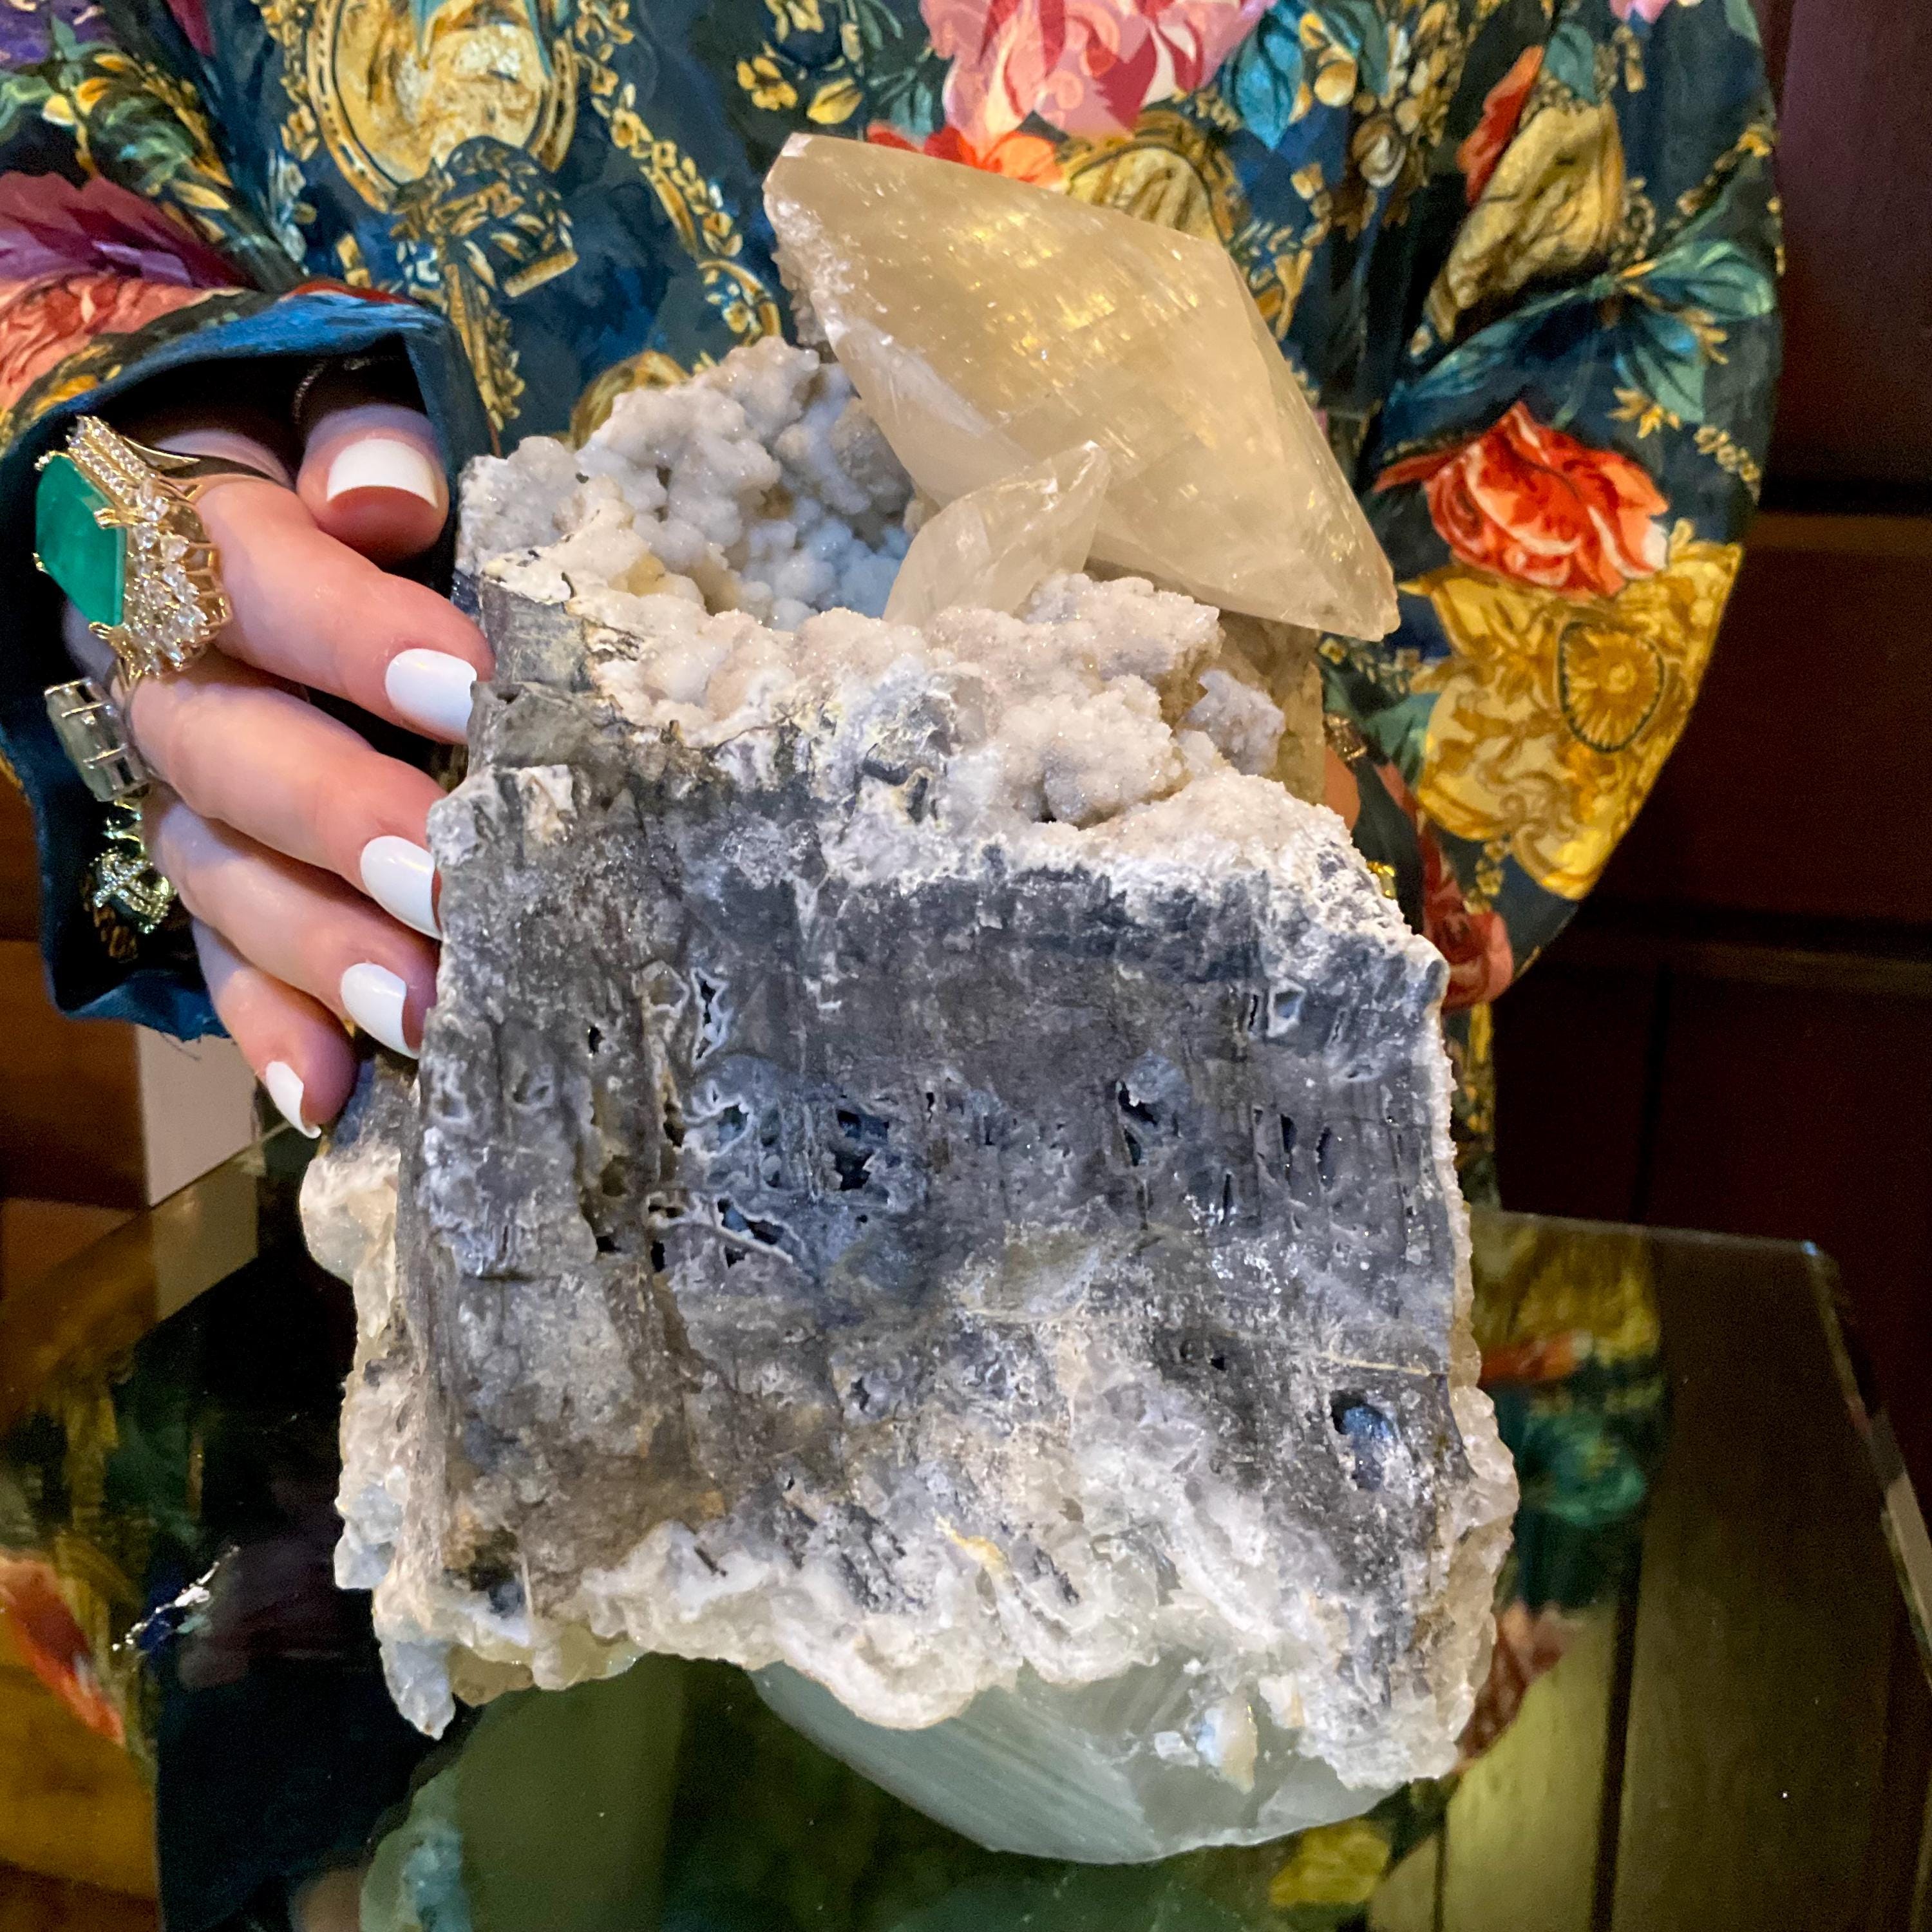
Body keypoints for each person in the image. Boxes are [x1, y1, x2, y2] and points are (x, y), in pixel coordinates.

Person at [0, 0, 1780, 1195]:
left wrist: (1294, 818)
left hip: (1222, 1155)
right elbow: (62, 176)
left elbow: (1616, 327)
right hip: (503, 1098)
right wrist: (145, 506)